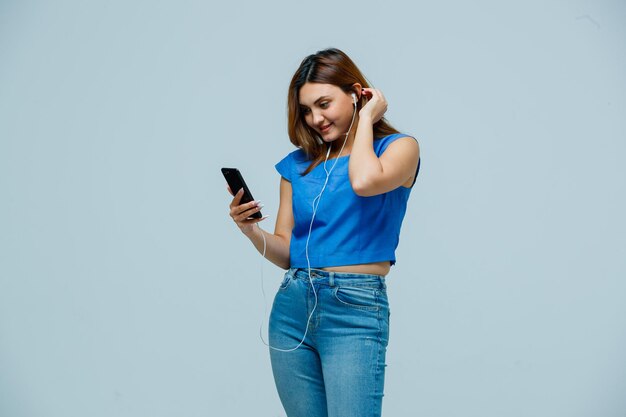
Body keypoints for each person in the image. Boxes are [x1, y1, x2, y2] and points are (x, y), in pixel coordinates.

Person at [226, 47, 420, 417]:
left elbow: (364, 181)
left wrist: (365, 121)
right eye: (306, 110)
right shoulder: (296, 166)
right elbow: (286, 252)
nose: (315, 118)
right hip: (292, 307)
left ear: (356, 93)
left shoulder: (399, 149)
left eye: (324, 103)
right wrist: (250, 231)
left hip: (354, 308)